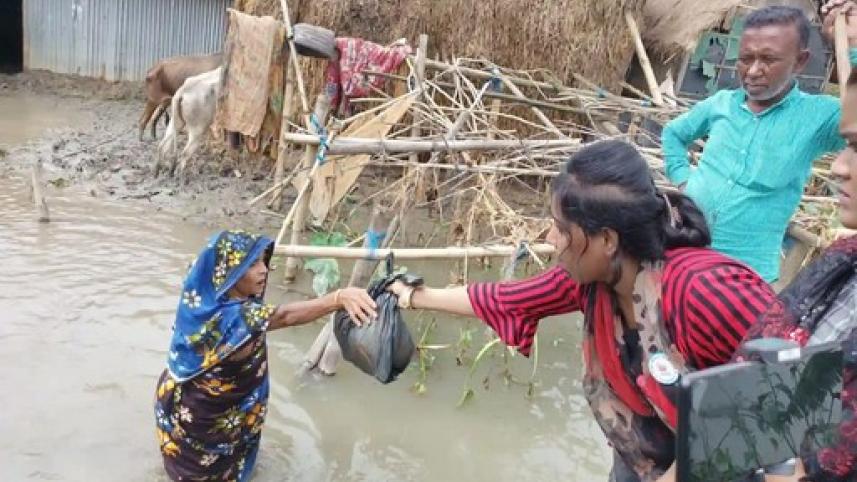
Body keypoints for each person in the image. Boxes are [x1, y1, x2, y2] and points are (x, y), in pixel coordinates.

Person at [389, 140, 777, 481]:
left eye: (561, 228)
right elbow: (508, 299)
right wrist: (410, 295)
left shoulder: (704, 291)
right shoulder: (593, 280)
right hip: (641, 459)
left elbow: (792, 396)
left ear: (606, 239)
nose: (549, 238)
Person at [735, 3, 857, 481]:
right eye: (847, 144)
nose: (839, 167)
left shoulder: (811, 118)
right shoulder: (841, 263)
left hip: (750, 273)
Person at [154, 230, 376, 481]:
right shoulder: (237, 317)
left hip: (188, 403)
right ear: (228, 271)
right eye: (252, 264)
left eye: (263, 260)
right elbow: (285, 316)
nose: (264, 270)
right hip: (204, 416)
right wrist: (337, 298)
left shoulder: (199, 303)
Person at [662, 6, 845, 283]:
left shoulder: (818, 117)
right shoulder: (722, 103)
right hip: (683, 253)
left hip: (743, 275)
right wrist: (684, 182)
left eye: (768, 60)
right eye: (745, 59)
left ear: (800, 61)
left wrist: (850, 44)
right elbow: (673, 134)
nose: (753, 71)